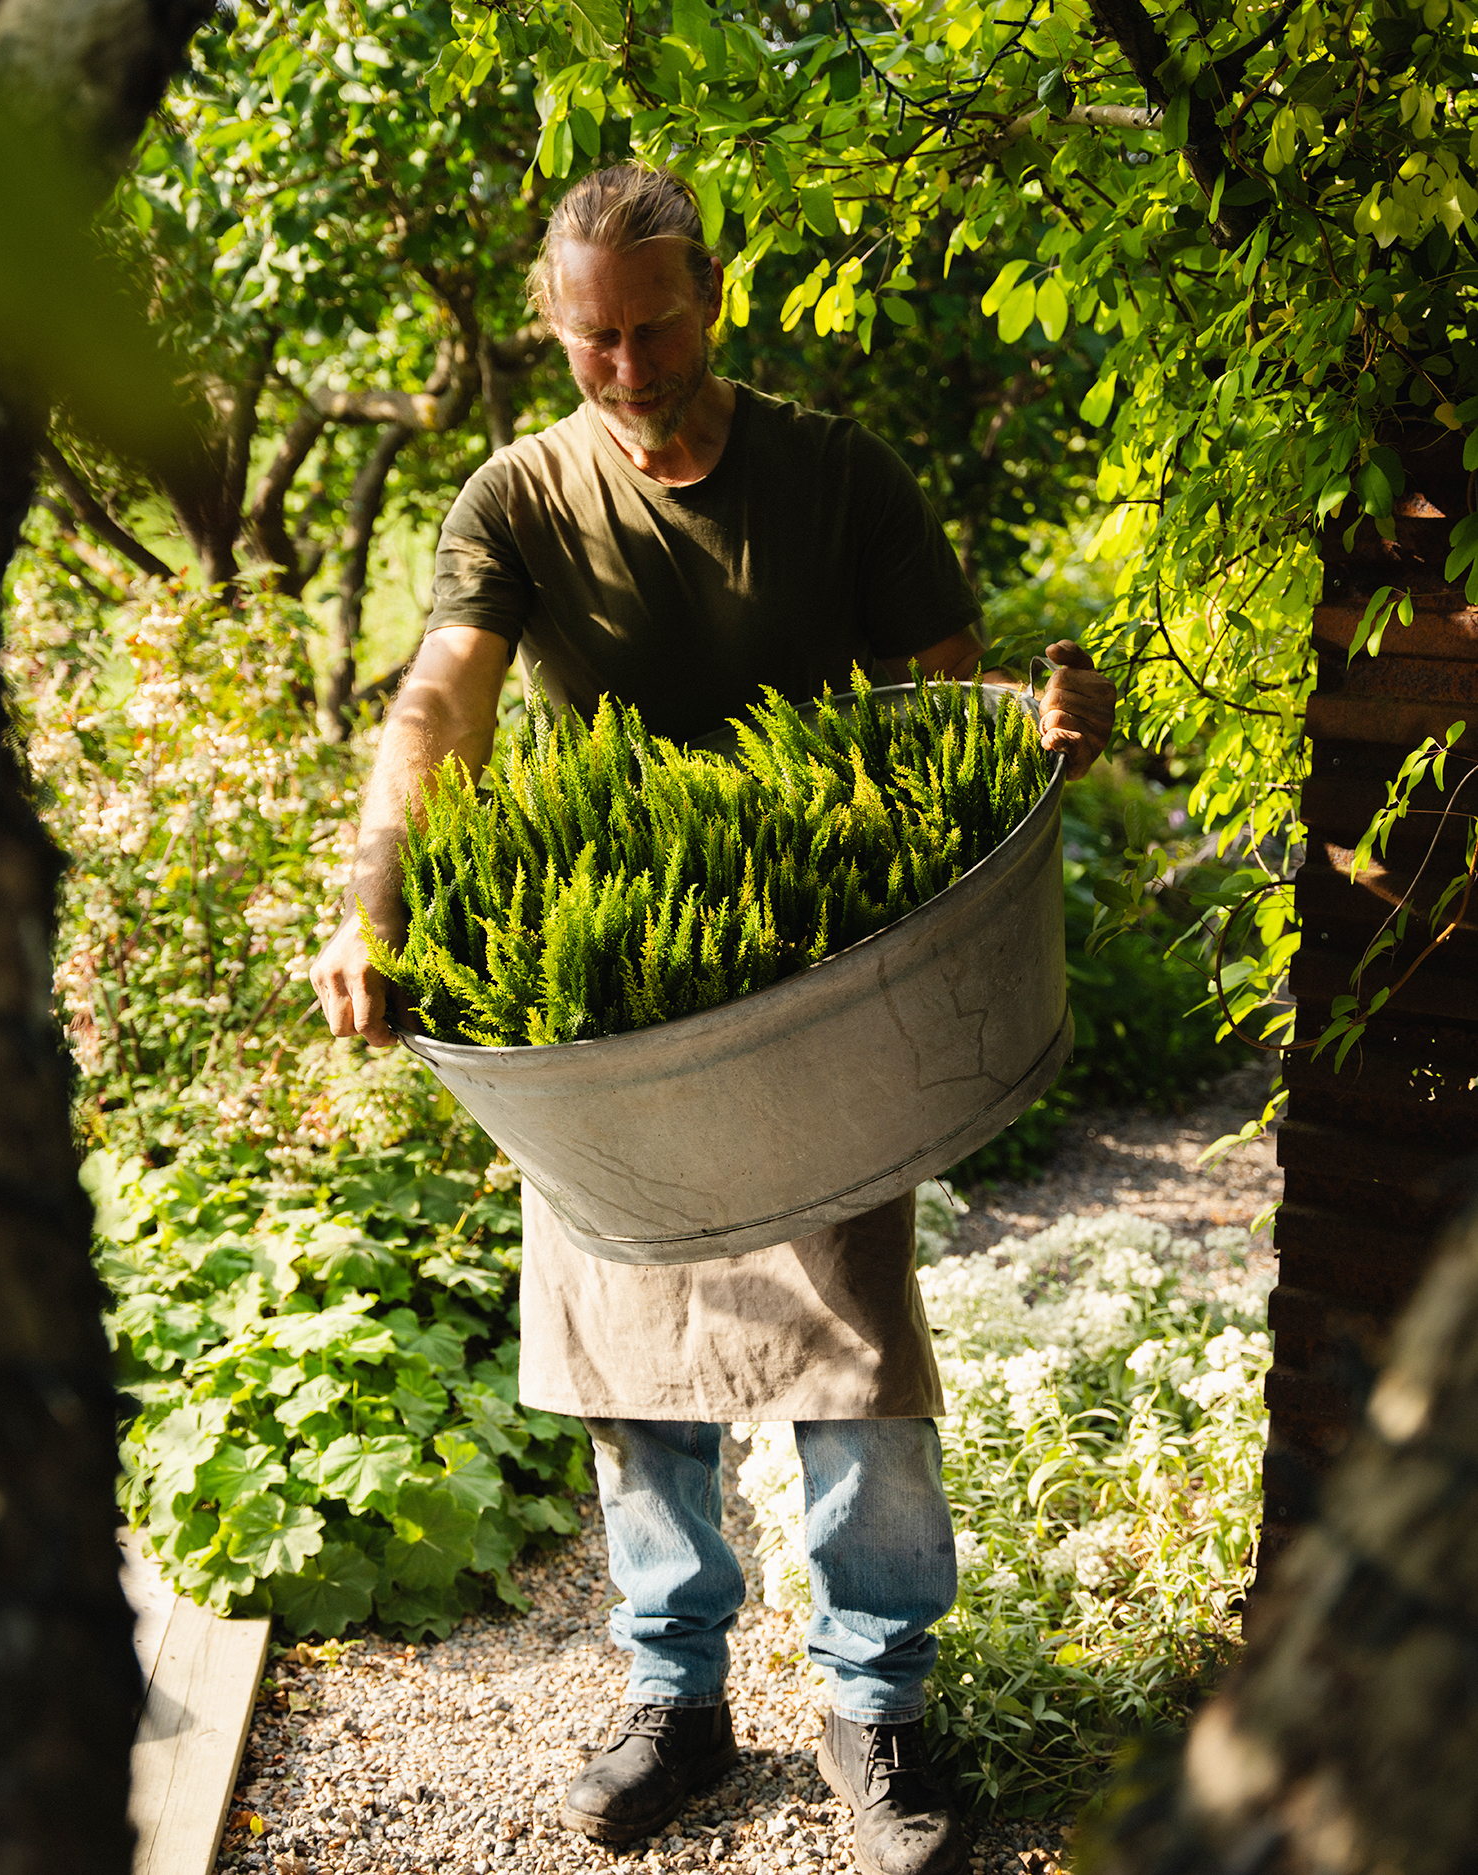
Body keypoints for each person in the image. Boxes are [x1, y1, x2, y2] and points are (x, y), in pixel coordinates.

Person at [311, 163, 1116, 1875]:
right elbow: (439, 702)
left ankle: (876, 1711)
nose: (628, 369)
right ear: (554, 325)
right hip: (612, 1020)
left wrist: (1045, 737)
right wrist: (373, 893)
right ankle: (673, 1706)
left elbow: (950, 721)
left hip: (821, 995)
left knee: (854, 1361)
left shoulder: (838, 476)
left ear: (714, 296)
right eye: (592, 339)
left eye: (654, 327)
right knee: (632, 1373)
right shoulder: (517, 497)